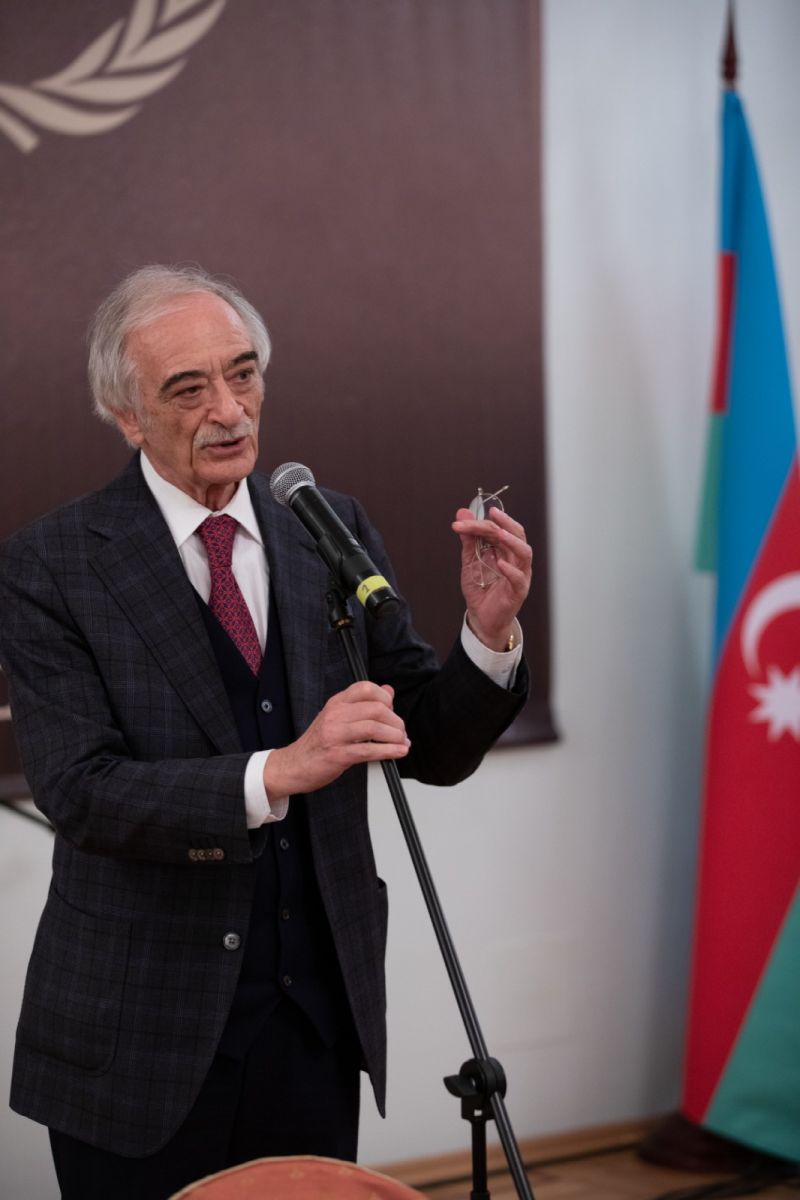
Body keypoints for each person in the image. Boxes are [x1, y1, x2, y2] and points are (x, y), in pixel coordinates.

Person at [0, 265, 531, 1199]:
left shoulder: (324, 529)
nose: (229, 410)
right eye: (188, 389)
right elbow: (80, 791)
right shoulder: (51, 565)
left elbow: (427, 742)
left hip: (312, 1020)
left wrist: (487, 637)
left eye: (242, 375)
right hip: (139, 1035)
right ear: (125, 415)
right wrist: (279, 769)